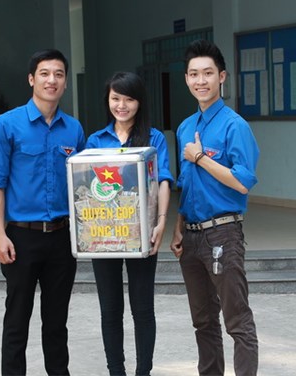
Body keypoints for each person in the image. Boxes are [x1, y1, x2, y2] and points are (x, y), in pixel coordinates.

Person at [0, 49, 86, 376]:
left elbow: (83, 185)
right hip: (21, 238)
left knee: (56, 323)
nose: (51, 80)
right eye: (44, 73)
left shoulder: (74, 130)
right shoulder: (6, 125)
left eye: (58, 74)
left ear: (65, 82)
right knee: (17, 321)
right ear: (31, 79)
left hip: (61, 238)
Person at [170, 39, 260, 376]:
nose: (201, 81)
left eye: (208, 73)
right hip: (191, 237)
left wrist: (200, 158)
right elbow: (187, 184)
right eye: (194, 74)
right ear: (186, 79)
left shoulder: (235, 125)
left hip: (223, 233)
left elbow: (242, 181)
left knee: (237, 321)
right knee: (203, 322)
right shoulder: (185, 127)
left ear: (222, 77)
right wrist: (178, 227)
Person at [86, 71, 173, 376]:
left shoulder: (154, 139)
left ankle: (143, 372)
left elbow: (163, 181)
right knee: (110, 310)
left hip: (141, 233)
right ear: (107, 100)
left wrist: (161, 222)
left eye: (129, 99)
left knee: (143, 309)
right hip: (104, 236)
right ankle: (116, 372)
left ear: (140, 102)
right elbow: (85, 185)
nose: (121, 106)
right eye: (116, 98)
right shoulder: (95, 140)